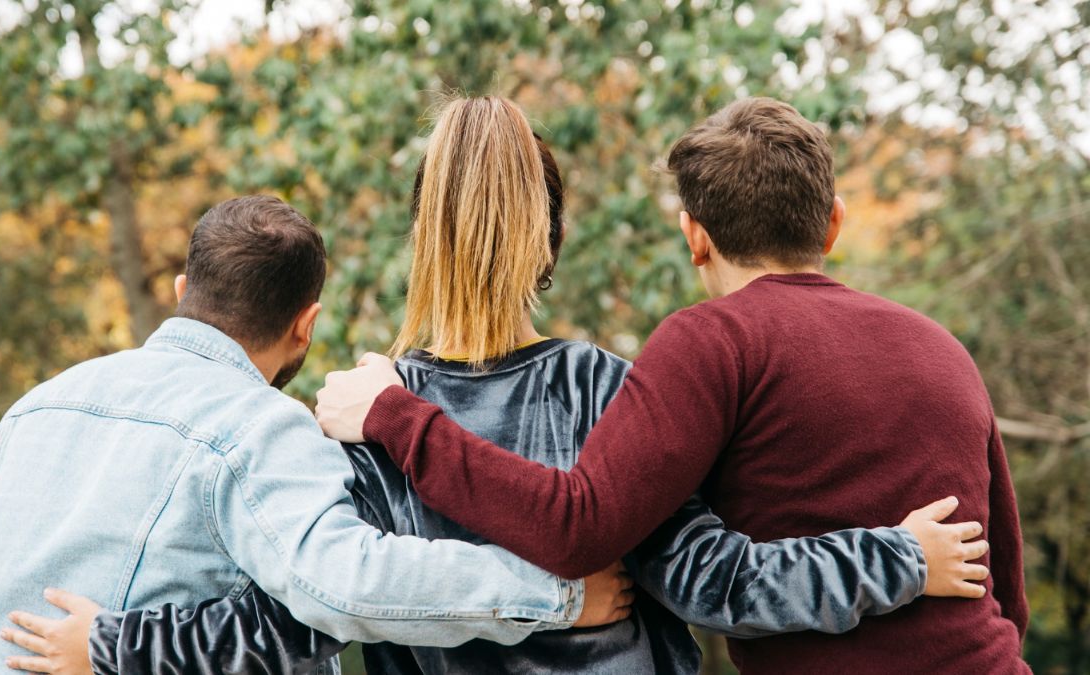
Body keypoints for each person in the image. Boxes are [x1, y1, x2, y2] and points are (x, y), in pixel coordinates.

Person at [2, 97, 988, 675]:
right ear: (549, 243)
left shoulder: (349, 421)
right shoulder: (610, 391)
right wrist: (893, 560)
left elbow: (291, 618)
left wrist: (117, 645)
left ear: (422, 238)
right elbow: (716, 584)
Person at [314, 97, 1031, 674]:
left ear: (695, 236)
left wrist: (394, 415)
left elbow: (339, 594)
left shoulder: (357, 409)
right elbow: (1008, 588)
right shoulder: (945, 348)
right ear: (835, 222)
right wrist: (900, 557)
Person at [0, 195, 638, 675]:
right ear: (306, 324)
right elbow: (351, 583)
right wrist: (559, 596)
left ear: (185, 285)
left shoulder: (35, 408)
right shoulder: (257, 425)